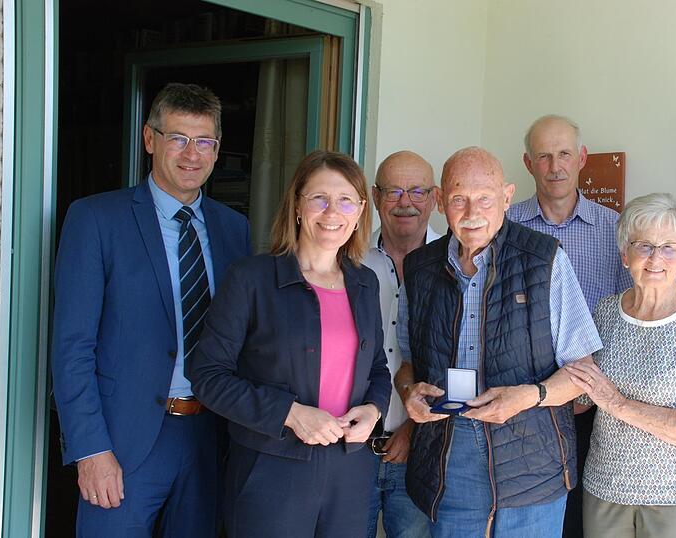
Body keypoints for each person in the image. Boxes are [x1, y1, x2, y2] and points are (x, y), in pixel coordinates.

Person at [51, 83, 251, 537]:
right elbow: (72, 347)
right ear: (149, 139)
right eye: (177, 138)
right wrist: (90, 450)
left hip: (209, 437)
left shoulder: (233, 228)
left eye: (204, 141)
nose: (191, 154)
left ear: (217, 150)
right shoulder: (97, 219)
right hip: (122, 442)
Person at [395, 146, 603, 537]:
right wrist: (408, 391)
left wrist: (526, 396)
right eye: (459, 199)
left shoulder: (544, 260)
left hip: (531, 462)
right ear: (440, 201)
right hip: (447, 457)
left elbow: (582, 372)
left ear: (507, 197)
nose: (472, 212)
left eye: (485, 198)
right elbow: (408, 362)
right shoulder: (420, 269)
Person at [187, 150, 391, 538]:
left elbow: (377, 366)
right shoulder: (251, 279)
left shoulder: (365, 284)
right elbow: (207, 375)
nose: (333, 211)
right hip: (271, 469)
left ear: (361, 210)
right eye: (319, 198)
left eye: (346, 199)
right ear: (297, 206)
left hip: (349, 472)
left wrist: (373, 410)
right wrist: (291, 413)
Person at [565, 193, 676, 538]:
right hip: (605, 490)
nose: (655, 258)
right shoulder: (605, 312)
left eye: (669, 247)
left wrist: (616, 403)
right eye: (643, 245)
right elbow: (583, 401)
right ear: (625, 254)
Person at [508, 114, 632, 537]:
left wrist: (591, 390)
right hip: (526, 400)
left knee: (580, 517)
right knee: (529, 514)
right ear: (528, 163)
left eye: (563, 154)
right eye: (544, 156)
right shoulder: (505, 228)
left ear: (581, 158)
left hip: (593, 405)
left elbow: (626, 319)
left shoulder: (614, 230)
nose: (555, 166)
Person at [361, 150, 439, 538]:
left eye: (417, 192)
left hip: (422, 454)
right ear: (375, 198)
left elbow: (459, 361)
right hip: (350, 451)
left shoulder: (457, 262)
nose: (405, 203)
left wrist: (412, 427)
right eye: (393, 192)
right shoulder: (348, 260)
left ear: (435, 198)